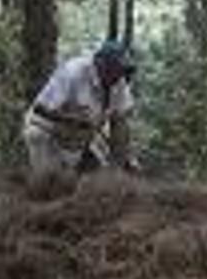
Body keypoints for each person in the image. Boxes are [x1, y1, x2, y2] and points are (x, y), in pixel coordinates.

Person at [22, 39, 139, 177]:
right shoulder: (73, 72)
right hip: (45, 132)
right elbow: (40, 109)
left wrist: (124, 158)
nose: (119, 75)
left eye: (122, 70)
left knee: (99, 178)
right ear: (100, 63)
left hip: (78, 140)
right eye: (115, 68)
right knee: (51, 182)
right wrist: (75, 119)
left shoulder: (118, 82)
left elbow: (120, 123)